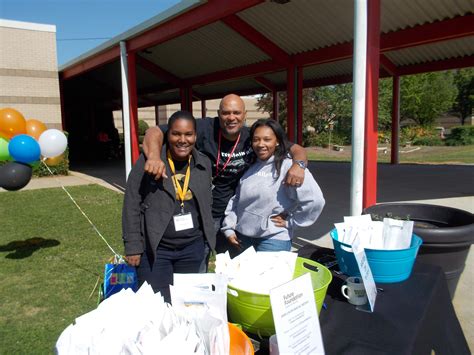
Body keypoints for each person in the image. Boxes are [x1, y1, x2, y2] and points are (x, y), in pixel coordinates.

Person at [142, 94, 308, 261]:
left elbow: (296, 148)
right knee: (197, 264)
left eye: (236, 112)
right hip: (202, 213)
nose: (231, 118)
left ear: (245, 114)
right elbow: (154, 131)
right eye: (226, 113)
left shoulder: (253, 137)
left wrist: (299, 165)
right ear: (218, 114)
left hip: (235, 216)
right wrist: (154, 157)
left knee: (233, 266)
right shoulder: (205, 127)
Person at [122, 111, 215, 302]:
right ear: (168, 135)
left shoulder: (203, 163)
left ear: (195, 136)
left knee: (188, 304)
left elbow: (206, 203)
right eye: (176, 134)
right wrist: (133, 247)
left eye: (188, 134)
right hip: (156, 251)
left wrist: (207, 242)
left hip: (192, 248)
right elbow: (131, 202)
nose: (182, 140)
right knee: (156, 305)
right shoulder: (149, 163)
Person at [221, 119, 325, 252]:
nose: (261, 144)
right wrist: (229, 227)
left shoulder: (289, 167)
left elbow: (315, 201)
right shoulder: (251, 165)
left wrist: (291, 221)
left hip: (274, 240)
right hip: (243, 238)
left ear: (277, 141)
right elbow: (238, 200)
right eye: (256, 139)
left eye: (267, 139)